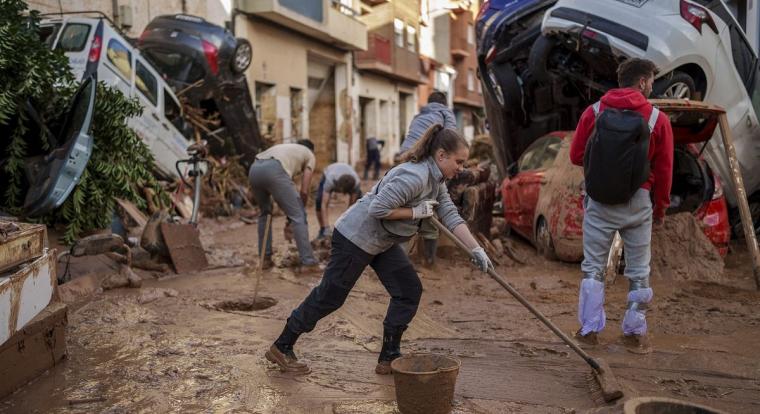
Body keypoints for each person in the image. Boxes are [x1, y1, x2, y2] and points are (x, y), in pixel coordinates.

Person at [265, 126, 493, 375]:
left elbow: (449, 215)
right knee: (330, 296)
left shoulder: (435, 180)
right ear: (441, 156)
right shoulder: (414, 176)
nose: (461, 168)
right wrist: (416, 212)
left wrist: (476, 249)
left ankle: (389, 356)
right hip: (355, 237)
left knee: (408, 290)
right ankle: (282, 345)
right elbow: (378, 208)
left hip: (382, 241)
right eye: (458, 162)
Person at [570, 58, 673, 353]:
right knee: (639, 269)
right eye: (651, 81)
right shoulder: (658, 119)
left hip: (599, 199)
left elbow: (576, 156)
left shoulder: (594, 111)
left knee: (593, 268)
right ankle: (635, 333)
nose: (652, 86)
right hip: (639, 201)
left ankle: (589, 330)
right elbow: (665, 171)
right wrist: (660, 207)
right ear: (641, 82)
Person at [398, 91, 457, 267]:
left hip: (404, 158)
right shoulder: (446, 113)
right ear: (444, 104)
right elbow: (452, 140)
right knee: (431, 209)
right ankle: (429, 260)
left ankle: (396, 261)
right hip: (424, 162)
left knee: (405, 208)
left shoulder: (418, 116)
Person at [248, 139, 320, 269]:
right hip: (275, 169)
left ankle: (265, 260)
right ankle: (308, 263)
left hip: (254, 169)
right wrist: (298, 213)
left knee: (265, 213)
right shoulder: (309, 154)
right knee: (298, 215)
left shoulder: (287, 149)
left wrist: (289, 218)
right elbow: (304, 190)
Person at [316, 162, 363, 239]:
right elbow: (324, 204)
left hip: (349, 178)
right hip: (330, 171)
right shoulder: (330, 180)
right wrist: (326, 227)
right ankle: (323, 230)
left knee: (360, 204)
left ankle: (356, 230)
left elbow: (351, 207)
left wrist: (346, 228)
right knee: (319, 200)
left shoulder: (356, 184)